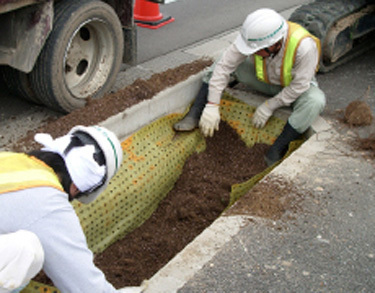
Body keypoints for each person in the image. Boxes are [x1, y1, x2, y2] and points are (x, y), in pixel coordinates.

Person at [174, 8, 326, 166]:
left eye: (257, 50)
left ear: (274, 44)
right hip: (262, 80)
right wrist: (212, 105)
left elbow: (299, 86)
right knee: (220, 62)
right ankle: (195, 113)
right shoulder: (253, 36)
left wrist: (270, 106)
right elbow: (224, 67)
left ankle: (276, 151)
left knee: (315, 101)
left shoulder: (304, 47)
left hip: (290, 89)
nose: (252, 52)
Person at [0, 125, 142, 292]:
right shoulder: (48, 200)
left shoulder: (10, 160)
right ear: (76, 187)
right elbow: (86, 288)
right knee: (24, 251)